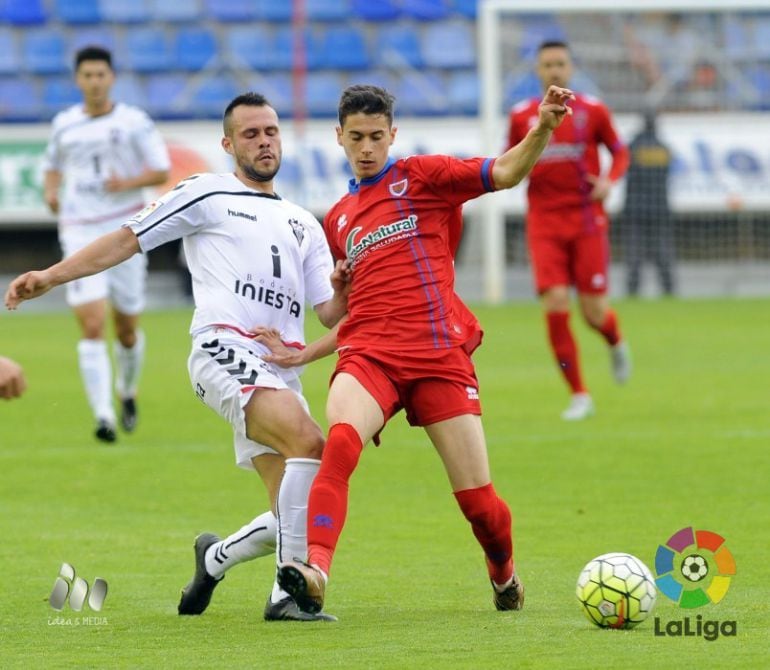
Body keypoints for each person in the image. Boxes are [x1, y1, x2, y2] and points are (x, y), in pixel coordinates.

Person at [6, 92, 349, 622]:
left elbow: (328, 314)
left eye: (271, 132)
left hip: (278, 370)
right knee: (310, 443)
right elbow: (127, 240)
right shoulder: (206, 192)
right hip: (223, 350)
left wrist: (348, 285)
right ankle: (286, 600)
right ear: (228, 143)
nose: (263, 142)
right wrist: (51, 276)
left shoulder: (305, 221)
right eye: (251, 134)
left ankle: (213, 560)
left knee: (295, 513)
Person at [264, 83, 574, 617]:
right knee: (338, 444)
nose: (366, 147)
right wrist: (308, 348)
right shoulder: (338, 218)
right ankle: (316, 571)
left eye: (376, 137)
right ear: (338, 136)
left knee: (481, 507)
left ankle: (504, 575)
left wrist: (542, 127)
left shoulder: (423, 176)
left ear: (393, 135)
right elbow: (350, 312)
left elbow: (503, 173)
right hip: (369, 356)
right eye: (356, 137)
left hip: (436, 356)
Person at [42, 46, 171, 443]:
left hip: (125, 233)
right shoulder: (64, 124)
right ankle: (103, 417)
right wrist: (51, 193)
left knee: (126, 329)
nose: (95, 82)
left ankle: (127, 392)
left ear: (111, 78)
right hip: (79, 229)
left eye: (101, 74)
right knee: (92, 324)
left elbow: (161, 169)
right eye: (88, 75)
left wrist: (126, 184)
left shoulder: (134, 122)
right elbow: (52, 166)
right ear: (78, 80)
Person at [507, 40, 632, 421]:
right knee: (556, 304)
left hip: (586, 220)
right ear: (538, 72)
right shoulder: (522, 116)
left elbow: (620, 151)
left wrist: (610, 180)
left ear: (571, 67)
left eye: (560, 63)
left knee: (594, 311)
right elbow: (509, 159)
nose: (555, 71)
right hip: (544, 222)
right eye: (547, 65)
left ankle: (615, 340)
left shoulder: (593, 110)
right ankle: (579, 394)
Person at [623, 112, 676, 297]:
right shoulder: (664, 149)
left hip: (635, 209)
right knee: (663, 253)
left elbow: (624, 169)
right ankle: (668, 289)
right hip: (660, 208)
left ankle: (632, 290)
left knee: (634, 253)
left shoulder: (633, 147)